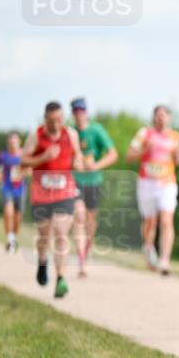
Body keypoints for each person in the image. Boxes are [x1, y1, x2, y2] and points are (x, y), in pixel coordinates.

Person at [21, 101, 86, 298]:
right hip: (41, 192)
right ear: (45, 120)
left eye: (59, 120)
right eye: (52, 121)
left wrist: (78, 162)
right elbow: (23, 160)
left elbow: (79, 159)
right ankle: (42, 261)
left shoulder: (71, 134)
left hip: (65, 191)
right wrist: (43, 157)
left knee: (60, 233)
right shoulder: (36, 135)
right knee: (44, 235)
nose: (56, 125)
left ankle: (60, 278)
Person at [126, 105, 179, 275]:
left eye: (164, 116)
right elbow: (129, 156)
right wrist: (145, 150)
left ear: (169, 118)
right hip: (146, 182)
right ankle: (149, 248)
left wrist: (177, 153)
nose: (161, 119)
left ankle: (165, 260)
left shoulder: (175, 136)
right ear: (153, 118)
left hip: (167, 183)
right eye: (158, 115)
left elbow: (178, 161)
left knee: (166, 220)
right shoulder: (144, 133)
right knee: (150, 221)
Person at [71, 97, 119, 277]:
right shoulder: (71, 133)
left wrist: (96, 166)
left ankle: (88, 245)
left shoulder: (97, 130)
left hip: (94, 180)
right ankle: (81, 260)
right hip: (75, 180)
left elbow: (113, 154)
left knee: (91, 218)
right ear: (72, 113)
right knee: (79, 216)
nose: (79, 114)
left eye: (81, 110)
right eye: (75, 111)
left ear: (86, 112)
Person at [0, 132, 29, 253]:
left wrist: (25, 172)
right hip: (6, 188)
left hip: (20, 189)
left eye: (14, 142)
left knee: (18, 217)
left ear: (19, 142)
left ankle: (14, 237)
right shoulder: (3, 156)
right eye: (10, 142)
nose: (12, 144)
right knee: (8, 212)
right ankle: (9, 239)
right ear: (7, 144)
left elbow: (30, 169)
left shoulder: (24, 155)